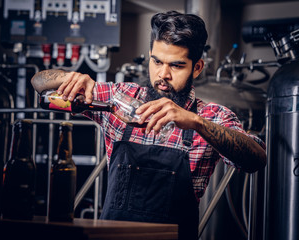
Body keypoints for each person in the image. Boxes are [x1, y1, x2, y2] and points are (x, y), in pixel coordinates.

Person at [31, 11, 266, 240]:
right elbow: (38, 82)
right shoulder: (120, 97)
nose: (162, 74)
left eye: (176, 65)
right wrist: (70, 77)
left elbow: (256, 159)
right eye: (156, 61)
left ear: (196, 67)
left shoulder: (211, 115)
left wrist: (196, 122)